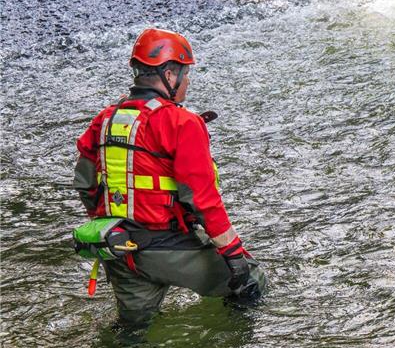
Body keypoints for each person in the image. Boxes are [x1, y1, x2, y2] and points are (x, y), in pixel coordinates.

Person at [74, 28, 266, 327]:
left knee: (132, 330)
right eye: (186, 73)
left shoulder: (105, 119)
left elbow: (85, 184)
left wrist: (105, 222)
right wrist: (234, 254)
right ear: (169, 73)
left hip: (117, 247)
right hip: (167, 244)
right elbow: (202, 199)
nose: (187, 82)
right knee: (252, 281)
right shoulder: (181, 122)